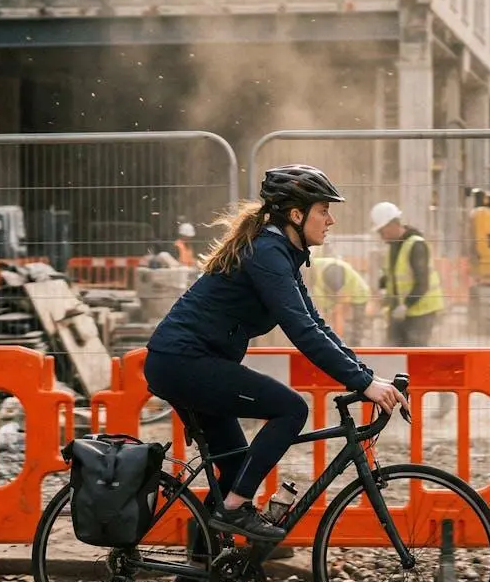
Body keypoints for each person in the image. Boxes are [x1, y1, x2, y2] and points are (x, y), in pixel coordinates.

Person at [145, 165, 407, 544]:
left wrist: (366, 375)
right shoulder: (267, 253)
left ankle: (205, 577)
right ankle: (234, 510)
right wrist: (362, 383)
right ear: (296, 215)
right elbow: (301, 332)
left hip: (188, 363)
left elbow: (316, 324)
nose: (331, 219)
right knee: (291, 409)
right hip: (184, 363)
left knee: (235, 465)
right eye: (323, 210)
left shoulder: (282, 254)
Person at [369, 201, 446, 347]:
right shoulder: (393, 247)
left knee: (415, 353)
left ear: (392, 225)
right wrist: (382, 291)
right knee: (392, 349)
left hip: (421, 312)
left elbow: (422, 282)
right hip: (401, 311)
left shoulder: (416, 245)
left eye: (381, 231)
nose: (381, 236)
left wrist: (405, 305)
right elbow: (391, 277)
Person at [302, 246, 371, 343]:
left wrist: (335, 342)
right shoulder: (311, 275)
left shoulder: (331, 272)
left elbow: (340, 310)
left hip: (357, 294)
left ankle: (353, 348)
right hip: (335, 298)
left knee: (355, 330)